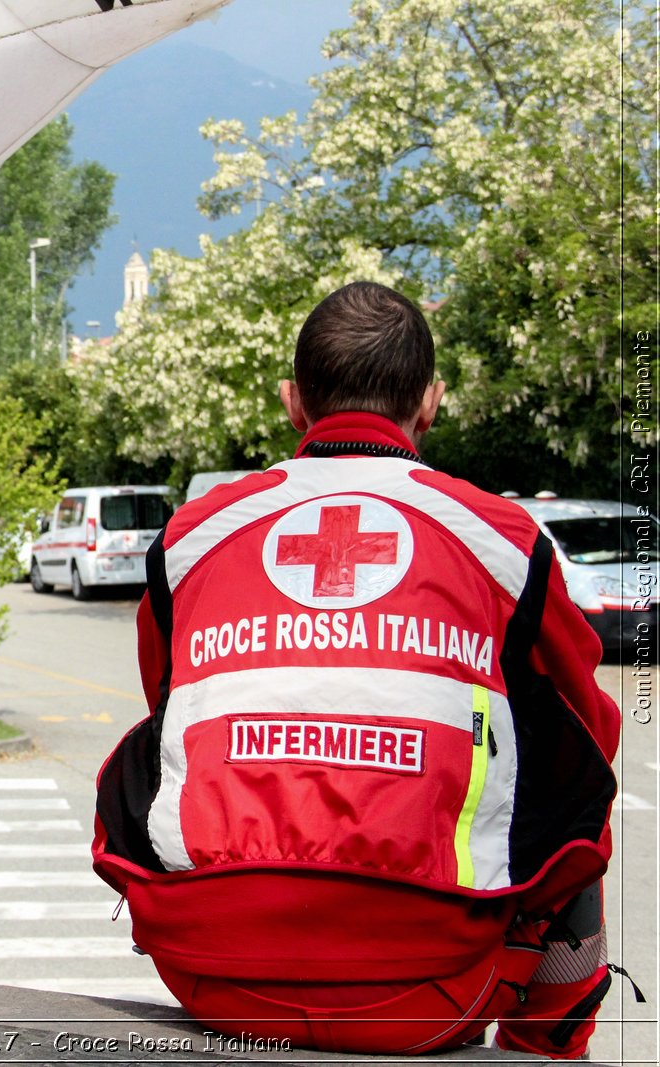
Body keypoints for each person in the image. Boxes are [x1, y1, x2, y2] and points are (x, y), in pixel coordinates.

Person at [93, 282, 623, 1058]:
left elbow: (166, 699)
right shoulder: (501, 539)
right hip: (435, 985)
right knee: (570, 775)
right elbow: (592, 728)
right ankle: (546, 1046)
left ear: (292, 404)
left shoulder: (194, 535)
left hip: (214, 971)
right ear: (431, 402)